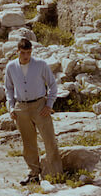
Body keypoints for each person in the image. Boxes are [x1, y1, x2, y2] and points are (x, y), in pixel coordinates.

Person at [5, 38, 62, 185]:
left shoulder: (40, 65)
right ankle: (34, 174)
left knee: (49, 140)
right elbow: (9, 89)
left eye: (29, 53)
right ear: (17, 52)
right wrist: (11, 107)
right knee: (28, 143)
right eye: (23, 53)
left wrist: (49, 104)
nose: (26, 56)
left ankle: (56, 174)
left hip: (39, 105)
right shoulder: (11, 67)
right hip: (21, 108)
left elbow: (52, 85)